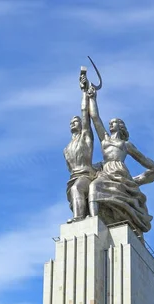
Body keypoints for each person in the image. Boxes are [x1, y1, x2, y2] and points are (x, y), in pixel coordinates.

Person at [86, 85, 154, 235]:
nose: (111, 123)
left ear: (120, 127)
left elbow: (145, 160)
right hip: (105, 171)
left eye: (114, 122)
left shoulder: (126, 145)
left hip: (120, 173)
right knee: (94, 186)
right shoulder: (105, 140)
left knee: (103, 190)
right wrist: (92, 98)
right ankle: (93, 222)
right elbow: (95, 118)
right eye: (111, 122)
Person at [64, 73, 97, 222]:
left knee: (77, 189)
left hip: (86, 175)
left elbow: (85, 113)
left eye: (76, 121)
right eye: (71, 121)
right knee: (74, 189)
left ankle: (78, 219)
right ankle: (82, 215)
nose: (73, 122)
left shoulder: (85, 137)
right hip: (73, 177)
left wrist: (84, 92)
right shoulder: (66, 149)